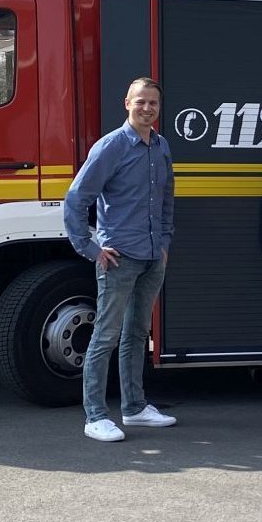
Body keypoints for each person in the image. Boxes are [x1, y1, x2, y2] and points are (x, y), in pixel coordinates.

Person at [64, 77, 178, 442]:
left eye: (153, 103)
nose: (147, 108)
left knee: (136, 334)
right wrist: (92, 248)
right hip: (119, 259)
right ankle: (95, 416)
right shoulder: (110, 146)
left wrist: (164, 242)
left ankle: (134, 408)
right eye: (141, 101)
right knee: (105, 336)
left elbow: (166, 200)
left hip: (151, 257)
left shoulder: (161, 147)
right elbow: (76, 200)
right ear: (126, 103)